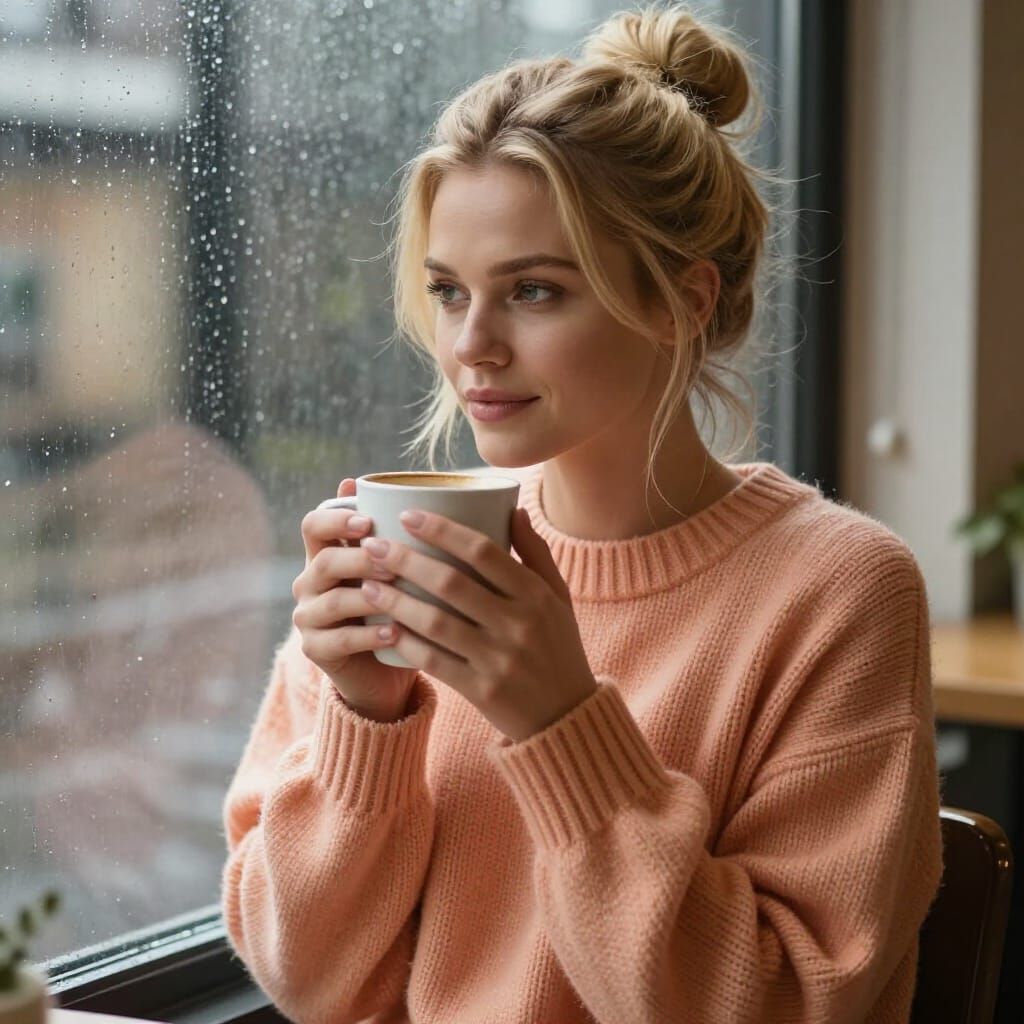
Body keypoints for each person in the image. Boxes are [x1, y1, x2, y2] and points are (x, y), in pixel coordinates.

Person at [220, 5, 942, 1021]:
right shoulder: (410, 553)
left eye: (535, 292)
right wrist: (361, 722)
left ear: (681, 302)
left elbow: (778, 1002)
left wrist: (557, 721)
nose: (470, 345)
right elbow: (312, 983)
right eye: (446, 290)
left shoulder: (838, 592)